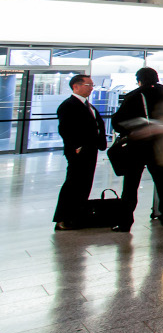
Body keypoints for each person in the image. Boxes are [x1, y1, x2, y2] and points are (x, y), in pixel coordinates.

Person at [111, 67, 163, 232]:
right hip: (162, 145)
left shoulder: (134, 96)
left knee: (131, 184)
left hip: (138, 146)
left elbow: (118, 122)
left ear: (139, 80)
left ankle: (125, 222)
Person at [53, 74, 107, 230]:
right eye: (88, 85)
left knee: (84, 184)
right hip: (79, 151)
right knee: (73, 184)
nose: (91, 88)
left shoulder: (88, 105)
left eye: (92, 85)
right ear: (75, 86)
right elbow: (65, 129)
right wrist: (76, 147)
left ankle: (76, 216)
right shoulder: (68, 105)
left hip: (90, 150)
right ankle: (63, 218)